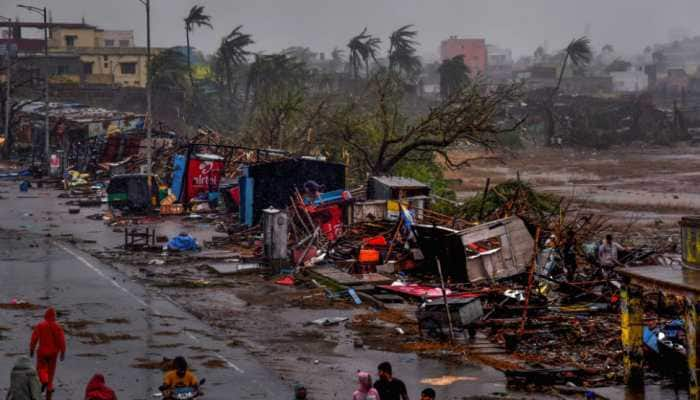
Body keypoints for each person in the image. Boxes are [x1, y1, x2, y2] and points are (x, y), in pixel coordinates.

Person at [29, 307, 66, 398]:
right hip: (53, 353)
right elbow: (62, 341)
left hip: (42, 351)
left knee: (41, 368)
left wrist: (32, 349)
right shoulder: (58, 327)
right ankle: (49, 386)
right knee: (51, 370)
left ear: (45, 315)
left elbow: (34, 338)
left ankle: (44, 380)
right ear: (54, 316)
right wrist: (62, 352)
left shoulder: (40, 325)